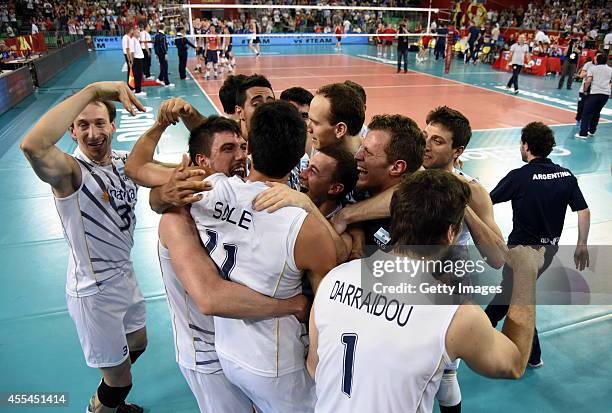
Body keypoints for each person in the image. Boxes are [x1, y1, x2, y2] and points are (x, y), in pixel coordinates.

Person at [308, 169, 546, 412]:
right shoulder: (453, 313)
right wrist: (526, 274)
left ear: (396, 218)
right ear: (450, 233)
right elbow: (514, 363)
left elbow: (315, 366)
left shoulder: (335, 278)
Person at [190, 101, 337, 412]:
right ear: (301, 157)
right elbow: (325, 309)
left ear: (250, 147)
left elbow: (143, 172)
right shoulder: (307, 229)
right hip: (277, 365)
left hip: (228, 350)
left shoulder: (211, 191)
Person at [20, 81, 148, 413]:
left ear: (113, 125)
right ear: (71, 132)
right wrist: (92, 91)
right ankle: (101, 407)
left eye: (100, 123)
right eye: (83, 125)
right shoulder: (70, 172)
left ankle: (111, 384)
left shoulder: (123, 162)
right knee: (122, 381)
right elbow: (32, 146)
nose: (93, 133)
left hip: (124, 274)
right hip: (95, 290)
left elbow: (165, 174)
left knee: (138, 343)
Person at [486, 122, 591, 368]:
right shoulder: (566, 175)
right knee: (512, 292)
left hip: (522, 252)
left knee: (517, 296)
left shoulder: (520, 176)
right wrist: (581, 245)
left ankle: (530, 354)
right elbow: (583, 211)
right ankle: (486, 324)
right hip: (548, 250)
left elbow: (486, 200)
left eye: (521, 144)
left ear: (526, 145)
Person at [307, 83, 365, 155]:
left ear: (340, 130)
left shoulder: (370, 164)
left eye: (315, 123)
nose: (308, 128)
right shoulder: (322, 147)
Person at [576, 54, 612, 139]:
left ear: (597, 60)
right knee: (597, 112)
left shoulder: (593, 69)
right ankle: (592, 131)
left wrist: (585, 90)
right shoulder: (610, 70)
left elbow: (588, 81)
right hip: (605, 95)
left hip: (594, 93)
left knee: (586, 113)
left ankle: (583, 133)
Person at [575, 55, 596, 125]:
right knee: (581, 106)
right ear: (594, 56)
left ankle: (586, 122)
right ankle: (578, 119)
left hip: (594, 91)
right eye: (597, 56)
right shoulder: (588, 64)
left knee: (590, 108)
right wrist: (591, 71)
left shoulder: (601, 67)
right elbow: (581, 75)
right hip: (584, 90)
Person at [154, 23, 174, 87]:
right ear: (164, 28)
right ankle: (166, 82)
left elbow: (155, 45)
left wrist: (156, 53)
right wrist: (165, 53)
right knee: (165, 67)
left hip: (159, 53)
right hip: (162, 53)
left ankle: (160, 78)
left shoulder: (156, 35)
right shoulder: (163, 36)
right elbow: (164, 45)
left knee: (163, 66)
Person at [130, 27, 145, 96]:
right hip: (137, 60)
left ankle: (137, 89)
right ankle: (138, 91)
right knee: (137, 75)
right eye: (138, 32)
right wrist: (132, 61)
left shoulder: (136, 40)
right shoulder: (133, 40)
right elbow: (132, 52)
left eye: (139, 32)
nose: (139, 34)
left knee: (139, 75)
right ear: (134, 33)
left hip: (139, 59)